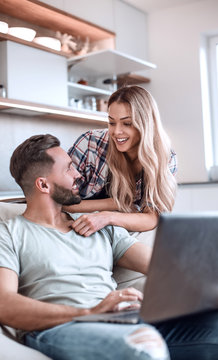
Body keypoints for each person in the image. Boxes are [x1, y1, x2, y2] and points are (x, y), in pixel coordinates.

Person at [0, 134, 170, 360]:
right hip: (61, 328)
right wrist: (90, 312)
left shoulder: (98, 225)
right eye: (69, 168)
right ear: (43, 184)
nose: (78, 174)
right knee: (143, 345)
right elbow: (5, 304)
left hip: (122, 320)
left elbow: (164, 268)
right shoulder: (8, 233)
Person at [67, 85, 177, 237]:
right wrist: (115, 204)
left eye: (127, 123)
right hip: (76, 230)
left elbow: (153, 217)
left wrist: (107, 217)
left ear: (146, 124)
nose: (116, 132)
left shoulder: (164, 157)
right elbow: (59, 201)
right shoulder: (91, 144)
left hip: (121, 234)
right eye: (112, 122)